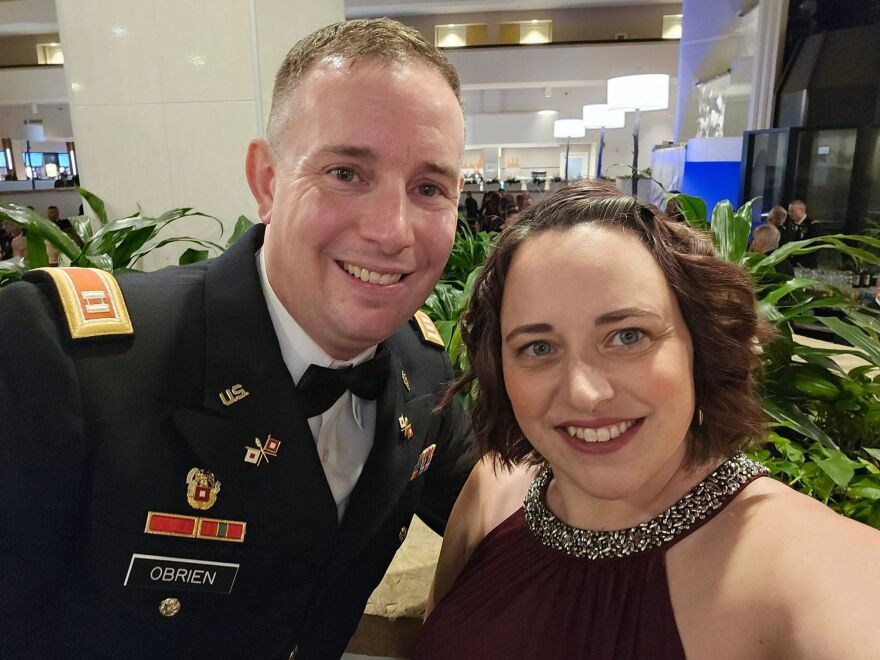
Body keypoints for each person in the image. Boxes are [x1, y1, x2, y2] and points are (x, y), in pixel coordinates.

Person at [0, 18, 474, 659]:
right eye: (346, 173)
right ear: (268, 181)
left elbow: (517, 521)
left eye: (428, 188)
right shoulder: (72, 360)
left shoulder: (421, 367)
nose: (392, 231)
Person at [414, 180, 880, 659]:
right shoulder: (494, 492)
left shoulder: (802, 565)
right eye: (539, 348)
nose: (585, 393)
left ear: (699, 345)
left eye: (628, 336)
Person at [781, 199, 818, 267]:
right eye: (789, 211)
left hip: (805, 264)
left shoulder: (812, 226)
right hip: (791, 263)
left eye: (792, 211)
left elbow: (815, 245)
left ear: (801, 210)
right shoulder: (790, 225)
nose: (789, 213)